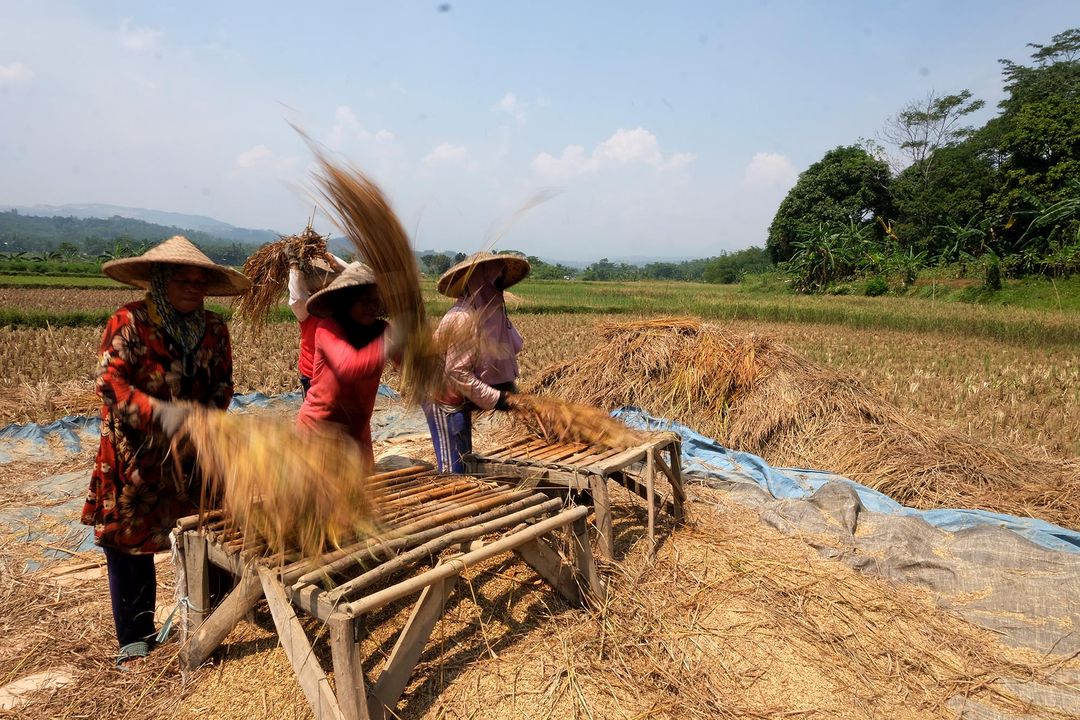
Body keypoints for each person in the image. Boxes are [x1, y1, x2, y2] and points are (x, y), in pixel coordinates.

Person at [81, 235, 250, 667]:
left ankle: (211, 619)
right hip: (135, 455)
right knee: (130, 541)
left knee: (205, 530)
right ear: (159, 281)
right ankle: (136, 635)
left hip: (195, 452)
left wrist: (204, 420)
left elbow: (223, 384)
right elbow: (111, 385)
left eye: (201, 281)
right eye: (183, 280)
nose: (194, 288)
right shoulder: (129, 322)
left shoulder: (214, 329)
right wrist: (161, 415)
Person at [425, 252, 531, 472]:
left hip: (462, 398)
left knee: (465, 457)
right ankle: (451, 499)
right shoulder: (462, 319)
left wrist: (510, 391)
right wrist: (499, 399)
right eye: (495, 280)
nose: (499, 287)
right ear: (480, 282)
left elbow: (509, 351)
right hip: (445, 399)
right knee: (454, 467)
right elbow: (457, 373)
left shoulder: (492, 315)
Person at [295, 262, 402, 470]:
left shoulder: (381, 330)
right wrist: (388, 341)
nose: (372, 307)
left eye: (375, 300)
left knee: (360, 498)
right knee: (320, 498)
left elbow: (406, 362)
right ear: (347, 301)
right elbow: (348, 367)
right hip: (320, 432)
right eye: (365, 301)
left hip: (357, 434)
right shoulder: (328, 328)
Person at [285, 246, 346, 397]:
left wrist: (329, 257)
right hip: (314, 374)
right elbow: (298, 298)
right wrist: (293, 265)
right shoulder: (307, 308)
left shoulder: (342, 304)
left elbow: (360, 277)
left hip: (339, 372)